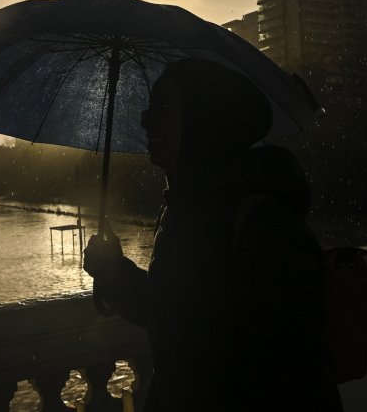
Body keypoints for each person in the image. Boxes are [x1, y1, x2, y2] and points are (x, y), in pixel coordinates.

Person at [83, 58, 343, 411]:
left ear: (205, 119)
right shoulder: (184, 209)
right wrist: (114, 273)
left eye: (162, 107)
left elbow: (291, 376)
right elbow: (175, 315)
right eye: (149, 108)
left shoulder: (263, 224)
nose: (146, 120)